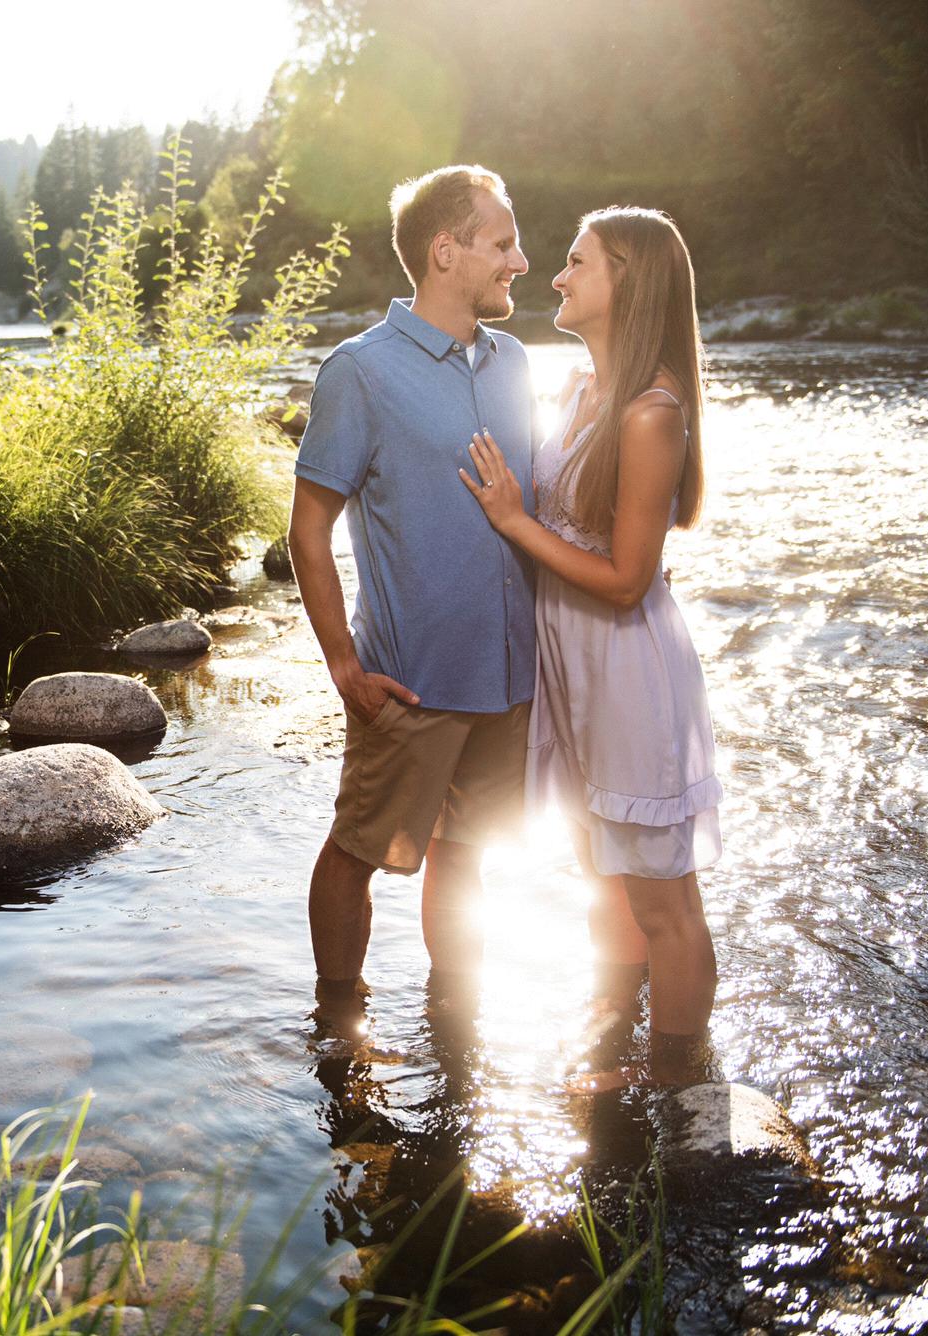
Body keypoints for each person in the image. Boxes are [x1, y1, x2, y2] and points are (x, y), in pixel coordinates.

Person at [460, 206, 721, 1088]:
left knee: (661, 892)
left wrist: (511, 522)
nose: (558, 277)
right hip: (569, 663)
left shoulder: (652, 413)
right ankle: (614, 1037)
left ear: (627, 284)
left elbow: (625, 580)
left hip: (625, 666)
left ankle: (681, 1083)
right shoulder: (578, 389)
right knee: (599, 866)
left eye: (578, 263)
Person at [288, 165, 537, 1013]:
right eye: (502, 242)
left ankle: (454, 1017)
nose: (521, 261)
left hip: (510, 682)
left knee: (467, 855)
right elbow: (307, 531)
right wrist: (343, 667)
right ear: (446, 250)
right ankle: (337, 1025)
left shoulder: (516, 364)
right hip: (412, 683)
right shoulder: (360, 372)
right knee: (357, 850)